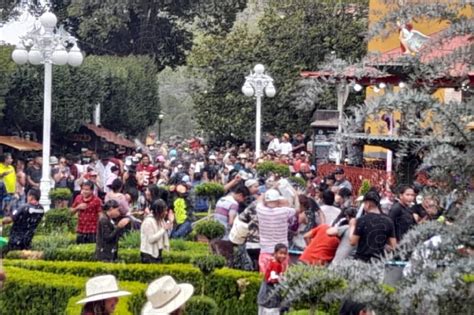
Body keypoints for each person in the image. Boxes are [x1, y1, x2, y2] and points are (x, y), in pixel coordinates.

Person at [350, 191, 397, 262]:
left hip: (361, 262)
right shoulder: (388, 221)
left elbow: (352, 242)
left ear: (367, 204)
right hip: (378, 263)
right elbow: (393, 246)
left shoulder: (362, 220)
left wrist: (352, 226)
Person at [257, 189, 295, 273]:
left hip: (265, 250)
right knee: (282, 278)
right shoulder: (285, 211)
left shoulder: (260, 210)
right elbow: (296, 209)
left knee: (264, 278)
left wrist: (271, 188)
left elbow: (260, 199)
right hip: (282, 252)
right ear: (278, 200)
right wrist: (295, 195)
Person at [1, 188, 44, 253]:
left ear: (31, 197)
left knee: (4, 254)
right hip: (28, 240)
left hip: (16, 241)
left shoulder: (24, 207)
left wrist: (1, 221)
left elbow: (9, 219)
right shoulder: (41, 209)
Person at [257, 243, 288, 315]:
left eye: (285, 254)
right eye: (281, 253)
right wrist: (282, 279)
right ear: (275, 253)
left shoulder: (272, 261)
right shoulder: (276, 264)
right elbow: (272, 279)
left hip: (264, 294)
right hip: (270, 295)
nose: (283, 256)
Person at [140, 199, 172, 263]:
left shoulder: (161, 220)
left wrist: (170, 222)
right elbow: (151, 239)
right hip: (148, 254)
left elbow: (166, 234)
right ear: (159, 211)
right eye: (164, 210)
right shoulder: (148, 221)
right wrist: (164, 229)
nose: (166, 213)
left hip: (158, 252)